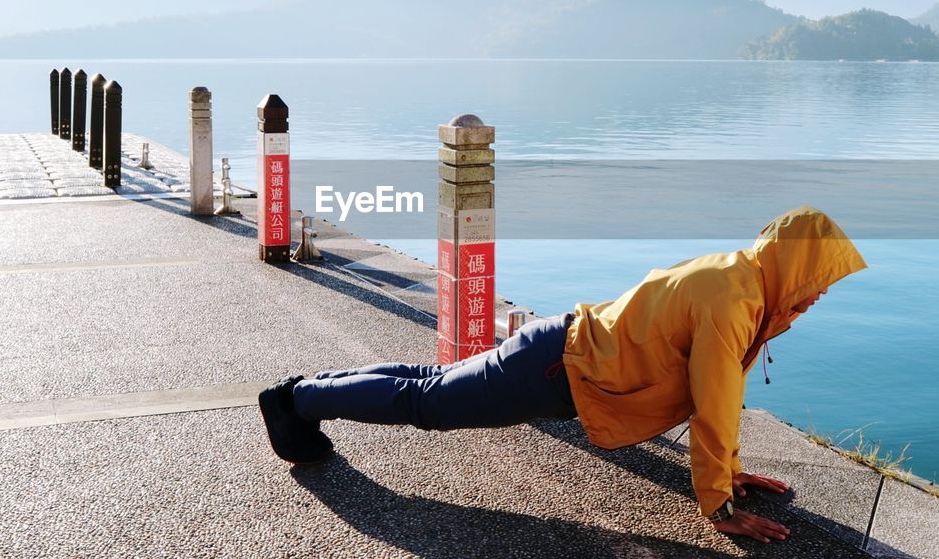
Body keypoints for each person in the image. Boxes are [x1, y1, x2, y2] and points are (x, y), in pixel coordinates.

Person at [259, 206, 867, 543]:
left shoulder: (746, 282)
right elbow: (716, 399)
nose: (817, 298)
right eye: (817, 282)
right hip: (558, 366)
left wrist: (733, 472)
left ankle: (303, 393)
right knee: (432, 404)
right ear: (793, 266)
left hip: (563, 352)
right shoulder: (734, 301)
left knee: (430, 385)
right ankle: (298, 399)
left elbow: (720, 389)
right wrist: (719, 503)